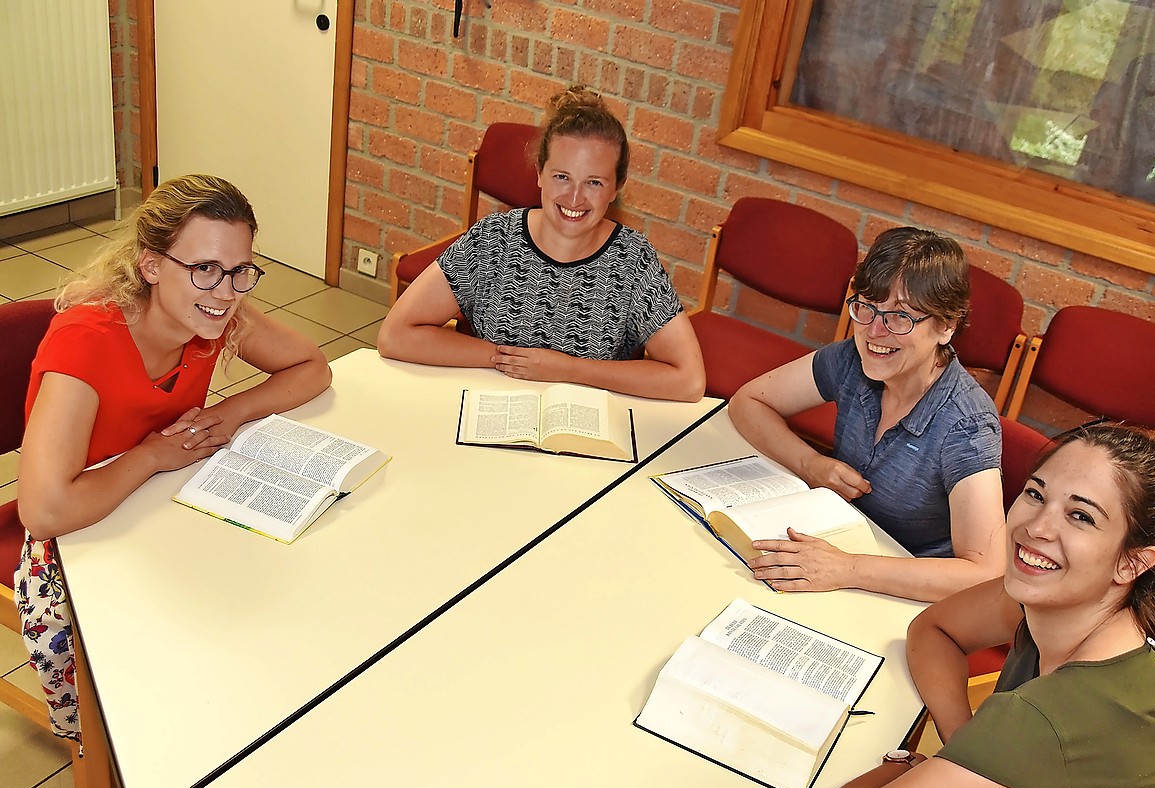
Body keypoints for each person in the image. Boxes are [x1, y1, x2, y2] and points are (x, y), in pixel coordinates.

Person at [801, 424, 1155, 788]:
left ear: (1132, 563)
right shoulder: (1095, 606)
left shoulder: (1061, 713)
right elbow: (933, 629)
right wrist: (966, 746)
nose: (1037, 527)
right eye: (1036, 494)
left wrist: (905, 772)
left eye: (1081, 516)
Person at [15, 174, 332, 741]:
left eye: (240, 271)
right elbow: (43, 511)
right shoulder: (86, 340)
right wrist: (153, 456)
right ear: (152, 265)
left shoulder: (215, 316)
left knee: (256, 602)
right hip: (81, 529)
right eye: (205, 268)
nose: (226, 290)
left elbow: (312, 367)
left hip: (160, 498)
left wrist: (228, 414)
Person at [378, 85, 705, 402]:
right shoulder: (494, 240)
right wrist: (510, 360)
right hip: (493, 412)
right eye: (561, 177)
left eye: (594, 182)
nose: (575, 198)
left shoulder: (633, 261)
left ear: (617, 187)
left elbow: (689, 381)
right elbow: (395, 335)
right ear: (539, 173)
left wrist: (570, 370)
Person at [728, 227, 1004, 601]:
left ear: (947, 326)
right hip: (837, 545)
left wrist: (847, 568)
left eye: (901, 317)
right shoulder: (852, 360)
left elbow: (985, 573)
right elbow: (749, 402)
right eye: (866, 306)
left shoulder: (966, 425)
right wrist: (810, 463)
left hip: (902, 588)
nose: (875, 331)